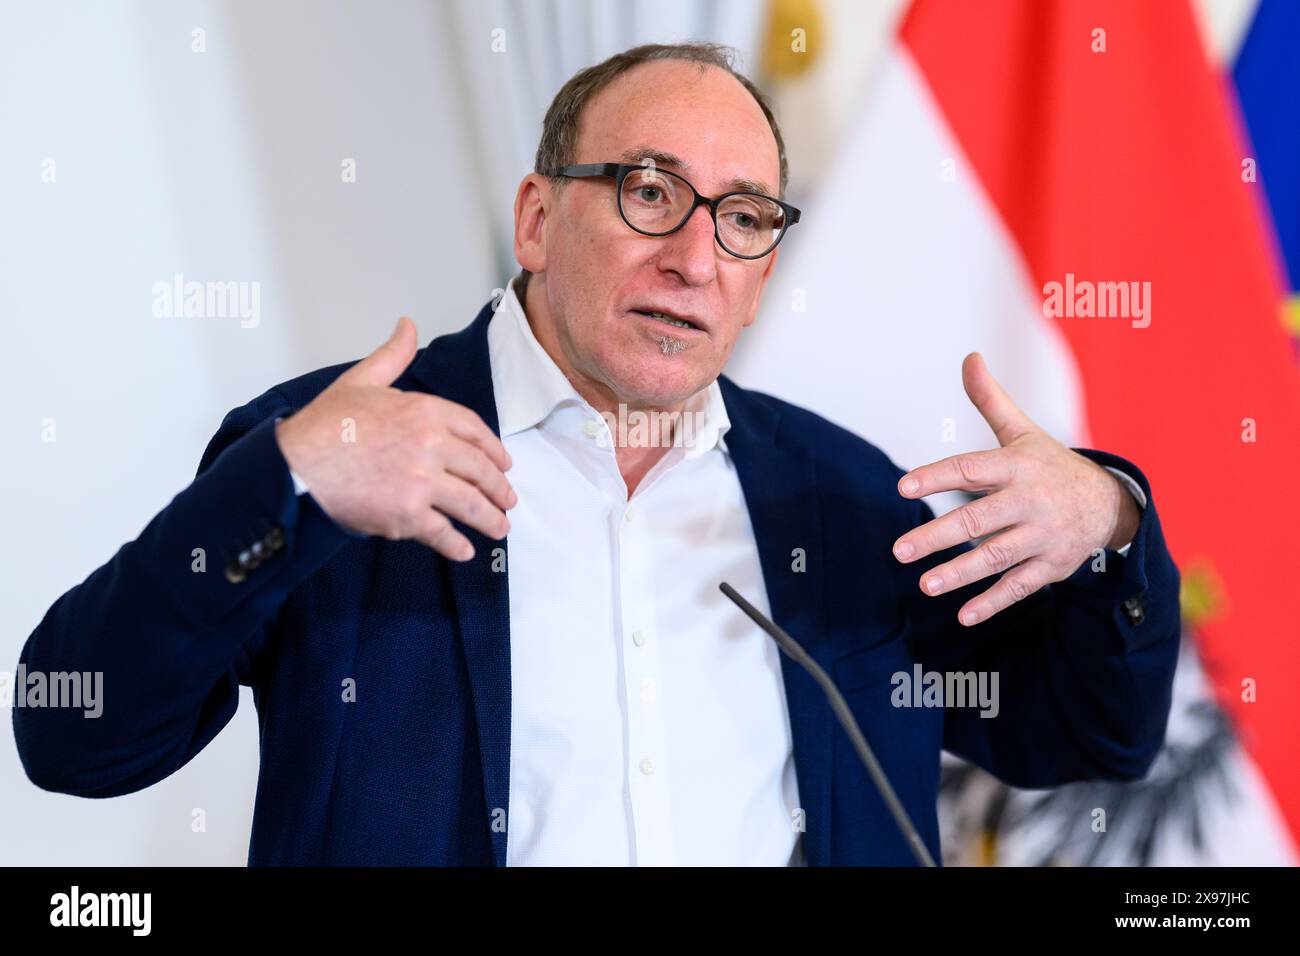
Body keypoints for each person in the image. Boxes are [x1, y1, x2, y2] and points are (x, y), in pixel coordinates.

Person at [13, 42, 1179, 866]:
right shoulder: (342, 447)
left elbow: (1087, 735)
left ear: (765, 271)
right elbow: (75, 730)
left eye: (743, 218)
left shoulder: (846, 500)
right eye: (648, 190)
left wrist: (1111, 522)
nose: (694, 256)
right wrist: (283, 487)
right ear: (535, 217)